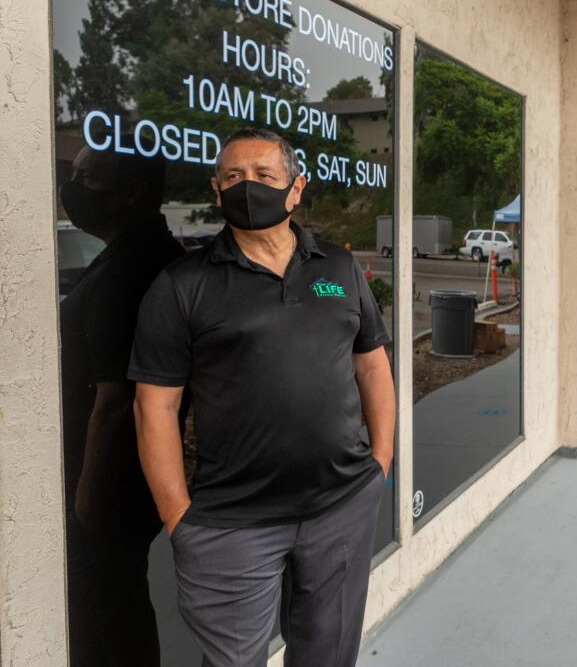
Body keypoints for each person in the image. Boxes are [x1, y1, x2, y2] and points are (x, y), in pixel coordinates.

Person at [130, 128, 395, 667]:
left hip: (341, 508)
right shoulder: (183, 285)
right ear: (215, 188)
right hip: (232, 525)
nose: (247, 186)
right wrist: (177, 514)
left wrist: (381, 464)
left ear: (295, 189)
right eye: (232, 177)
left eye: (264, 176)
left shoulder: (339, 269)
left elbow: (372, 365)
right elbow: (152, 407)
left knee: (329, 656)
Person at [59, 143, 184, 666]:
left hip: (109, 483)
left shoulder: (128, 273)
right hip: (132, 477)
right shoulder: (151, 256)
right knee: (124, 606)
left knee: (104, 617)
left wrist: (86, 507)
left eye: (87, 179)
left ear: (131, 194)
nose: (71, 189)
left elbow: (116, 400)